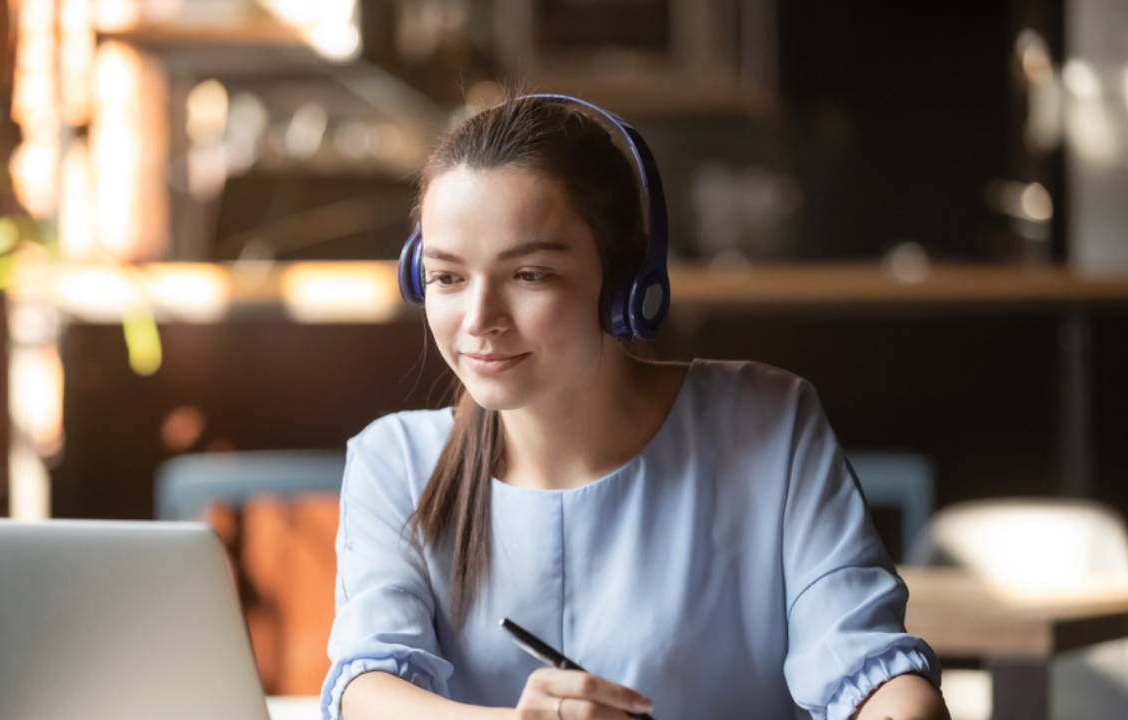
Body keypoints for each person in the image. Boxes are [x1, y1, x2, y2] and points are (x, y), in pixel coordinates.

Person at [320, 95, 948, 720]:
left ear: (625, 284)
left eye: (530, 275)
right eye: (447, 277)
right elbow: (367, 690)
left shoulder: (768, 423)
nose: (480, 320)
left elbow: (868, 668)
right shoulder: (395, 461)